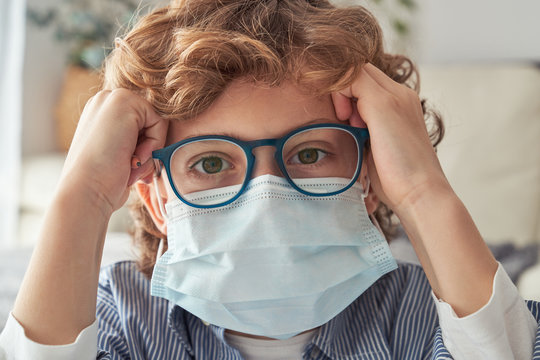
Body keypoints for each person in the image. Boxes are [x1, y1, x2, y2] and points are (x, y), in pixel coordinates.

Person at [1, 0, 539, 359]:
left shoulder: (422, 316)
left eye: (309, 152)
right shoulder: (124, 317)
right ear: (159, 200)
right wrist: (83, 197)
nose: (266, 195)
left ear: (369, 177)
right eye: (210, 163)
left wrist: (424, 190)